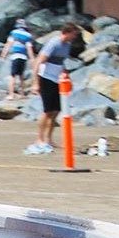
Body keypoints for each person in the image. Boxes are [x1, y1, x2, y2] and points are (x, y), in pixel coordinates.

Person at [25, 22, 81, 155]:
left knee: (56, 111)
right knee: (47, 110)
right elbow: (39, 61)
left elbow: (61, 63)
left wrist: (66, 75)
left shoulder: (67, 46)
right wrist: (35, 83)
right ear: (67, 32)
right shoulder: (54, 43)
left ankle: (49, 139)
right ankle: (39, 138)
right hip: (46, 78)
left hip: (57, 80)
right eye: (74, 34)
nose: (75, 37)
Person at [2, 18, 35, 100]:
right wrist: (32, 59)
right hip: (23, 57)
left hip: (15, 56)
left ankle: (11, 94)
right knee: (21, 76)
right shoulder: (28, 35)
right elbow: (29, 48)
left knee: (12, 76)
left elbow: (8, 44)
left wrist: (3, 55)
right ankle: (22, 94)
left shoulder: (14, 33)